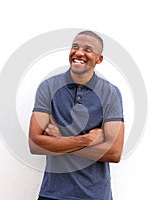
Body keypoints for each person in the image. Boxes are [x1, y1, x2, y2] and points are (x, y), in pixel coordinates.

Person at [28, 30, 125, 200]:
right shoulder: (48, 88)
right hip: (53, 194)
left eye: (88, 49)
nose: (79, 52)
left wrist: (59, 140)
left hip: (95, 195)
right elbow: (35, 145)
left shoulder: (110, 93)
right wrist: (86, 139)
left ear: (99, 59)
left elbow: (114, 153)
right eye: (75, 47)